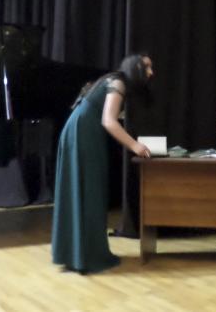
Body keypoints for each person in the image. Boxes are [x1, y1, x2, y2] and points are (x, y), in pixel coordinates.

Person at [51, 54, 154, 274]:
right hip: (83, 133)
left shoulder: (114, 80)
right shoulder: (118, 83)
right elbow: (109, 121)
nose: (151, 72)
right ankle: (86, 256)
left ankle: (78, 254)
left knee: (84, 190)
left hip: (80, 131)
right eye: (147, 67)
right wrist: (134, 145)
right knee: (89, 191)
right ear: (135, 68)